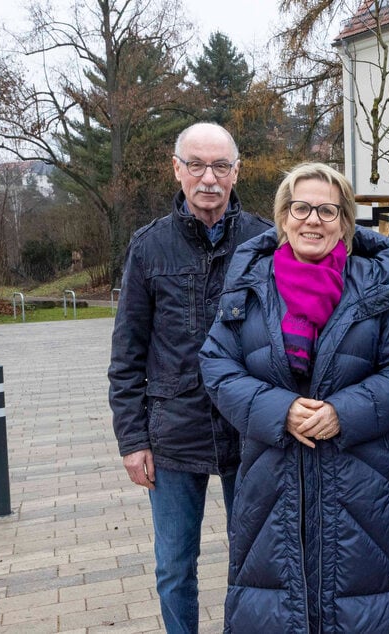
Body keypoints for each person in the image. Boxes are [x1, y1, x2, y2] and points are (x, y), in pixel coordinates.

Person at [198, 163, 389, 633]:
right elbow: (217, 364)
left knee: (362, 611)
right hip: (270, 482)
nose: (313, 220)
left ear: (344, 222)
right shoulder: (251, 285)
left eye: (327, 210)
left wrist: (344, 413)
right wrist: (279, 411)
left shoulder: (376, 284)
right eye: (301, 208)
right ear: (284, 218)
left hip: (360, 483)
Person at [107, 122, 272, 634]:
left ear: (236, 172)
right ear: (176, 168)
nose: (208, 178)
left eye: (220, 166)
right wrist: (132, 440)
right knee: (174, 567)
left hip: (250, 432)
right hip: (172, 432)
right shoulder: (149, 246)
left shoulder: (265, 242)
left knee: (252, 564)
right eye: (196, 165)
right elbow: (127, 351)